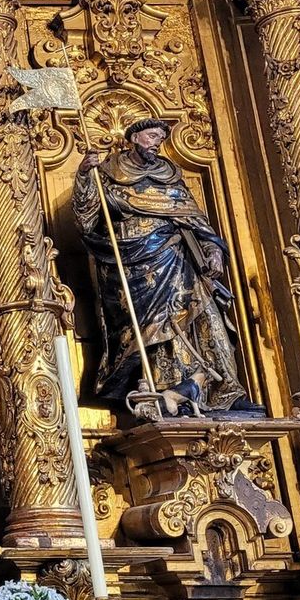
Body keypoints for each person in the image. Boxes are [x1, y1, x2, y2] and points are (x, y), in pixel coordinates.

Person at [73, 119, 249, 415]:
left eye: (161, 138)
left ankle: (221, 391)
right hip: (132, 264)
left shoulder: (169, 177)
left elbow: (197, 222)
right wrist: (84, 175)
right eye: (152, 135)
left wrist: (213, 250)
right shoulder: (107, 174)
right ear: (134, 137)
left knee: (201, 315)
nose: (157, 142)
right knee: (155, 326)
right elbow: (86, 218)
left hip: (176, 258)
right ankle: (162, 388)